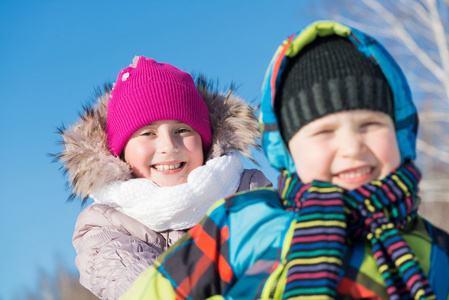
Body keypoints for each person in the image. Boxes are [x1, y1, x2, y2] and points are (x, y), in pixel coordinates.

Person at [120, 21, 449, 300]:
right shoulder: (241, 224)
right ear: (288, 150)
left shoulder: (436, 252)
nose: (351, 147)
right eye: (324, 132)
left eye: (369, 125)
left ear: (400, 130)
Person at [56, 56, 272, 299]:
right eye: (147, 133)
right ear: (121, 153)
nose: (169, 146)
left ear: (205, 140)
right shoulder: (104, 225)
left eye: (182, 130)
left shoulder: (250, 192)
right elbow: (137, 286)